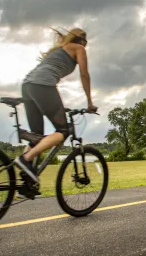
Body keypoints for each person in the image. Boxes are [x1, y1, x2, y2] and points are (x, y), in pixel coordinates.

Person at [15, 27, 97, 183]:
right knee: (63, 131)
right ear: (80, 40)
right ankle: (26, 159)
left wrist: (58, 107)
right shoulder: (78, 48)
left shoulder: (58, 50)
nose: (85, 44)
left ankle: (27, 180)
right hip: (42, 85)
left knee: (37, 136)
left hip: (27, 86)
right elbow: (84, 74)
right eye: (85, 40)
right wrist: (90, 103)